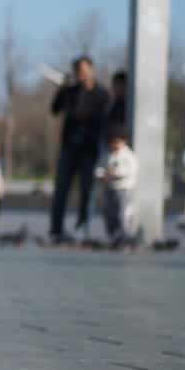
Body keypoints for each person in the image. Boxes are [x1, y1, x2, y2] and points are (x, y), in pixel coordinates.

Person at [48, 56, 112, 241]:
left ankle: (82, 227)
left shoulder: (102, 94)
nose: (81, 75)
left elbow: (105, 119)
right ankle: (56, 229)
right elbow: (54, 109)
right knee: (61, 189)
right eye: (78, 72)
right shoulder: (70, 92)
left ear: (91, 70)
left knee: (87, 190)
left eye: (84, 71)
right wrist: (61, 89)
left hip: (89, 150)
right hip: (69, 148)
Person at [98, 124, 138, 243]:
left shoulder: (129, 156)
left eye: (116, 142)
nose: (114, 145)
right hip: (110, 189)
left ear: (124, 141)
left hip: (124, 189)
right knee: (109, 213)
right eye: (112, 142)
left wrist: (115, 173)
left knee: (123, 214)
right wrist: (102, 175)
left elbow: (130, 171)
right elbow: (99, 168)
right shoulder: (107, 155)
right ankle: (113, 235)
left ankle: (126, 236)